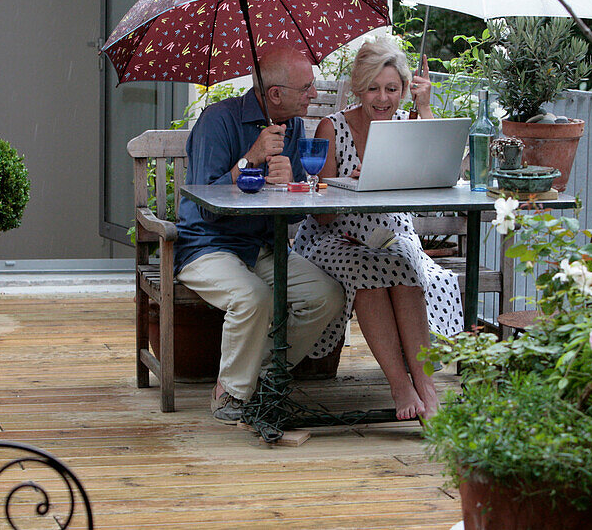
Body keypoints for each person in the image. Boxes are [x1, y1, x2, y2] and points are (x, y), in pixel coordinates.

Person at [292, 38, 464, 419]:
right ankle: (399, 386)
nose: (383, 98)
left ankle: (426, 386)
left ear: (404, 88)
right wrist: (348, 188)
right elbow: (319, 214)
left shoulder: (409, 124)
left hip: (389, 235)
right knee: (366, 268)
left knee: (401, 265)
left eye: (392, 88)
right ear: (358, 88)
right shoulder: (331, 127)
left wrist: (424, 107)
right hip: (332, 237)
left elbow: (439, 178)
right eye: (373, 88)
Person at [174, 45, 344, 424]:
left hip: (262, 247)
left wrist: (292, 184)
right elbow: (204, 204)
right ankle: (230, 394)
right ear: (275, 94)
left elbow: (298, 210)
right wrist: (248, 159)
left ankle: (263, 373)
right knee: (253, 297)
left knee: (326, 295)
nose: (314, 95)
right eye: (306, 88)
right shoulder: (218, 121)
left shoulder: (294, 127)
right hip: (206, 246)